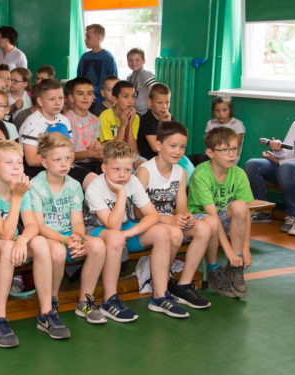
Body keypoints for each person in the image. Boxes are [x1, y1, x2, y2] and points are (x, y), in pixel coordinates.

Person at [84, 140, 189, 320]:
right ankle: (109, 300)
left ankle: (159, 296)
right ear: (104, 168)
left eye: (127, 169)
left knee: (164, 233)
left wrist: (128, 233)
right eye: (116, 169)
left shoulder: (132, 180)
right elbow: (112, 226)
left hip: (123, 230)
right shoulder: (95, 187)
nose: (122, 174)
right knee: (115, 237)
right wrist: (121, 193)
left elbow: (152, 215)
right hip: (96, 231)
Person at [0, 140, 55, 346]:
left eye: (19, 162)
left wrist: (23, 240)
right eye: (9, 162)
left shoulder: (20, 188)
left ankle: (47, 312)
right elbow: (5, 234)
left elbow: (32, 225)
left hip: (10, 246)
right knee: (9, 245)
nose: (17, 167)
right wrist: (17, 197)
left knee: (40, 242)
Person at [135, 121, 216, 309]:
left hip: (168, 222)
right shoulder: (145, 171)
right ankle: (161, 282)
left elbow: (181, 206)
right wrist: (169, 220)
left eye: (182, 147)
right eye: (172, 146)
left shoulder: (180, 172)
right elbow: (137, 212)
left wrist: (185, 216)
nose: (178, 151)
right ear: (158, 145)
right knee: (174, 232)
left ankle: (183, 285)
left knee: (204, 228)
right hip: (146, 225)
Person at [30, 132, 105, 328]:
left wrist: (78, 238)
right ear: (44, 162)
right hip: (46, 237)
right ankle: (51, 303)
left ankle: (85, 301)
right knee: (58, 252)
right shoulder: (35, 186)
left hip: (68, 236)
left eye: (67, 158)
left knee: (98, 246)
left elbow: (77, 221)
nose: (64, 164)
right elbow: (39, 226)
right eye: (57, 160)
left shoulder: (73, 185)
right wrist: (65, 240)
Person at [190, 127, 254, 298]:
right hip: (199, 220)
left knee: (240, 206)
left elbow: (245, 213)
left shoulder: (239, 174)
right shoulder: (201, 174)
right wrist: (228, 252)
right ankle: (213, 269)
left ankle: (235, 267)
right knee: (211, 222)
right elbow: (212, 215)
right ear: (210, 153)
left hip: (222, 219)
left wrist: (245, 249)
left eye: (234, 148)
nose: (231, 154)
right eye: (224, 150)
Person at [244, 99, 295, 232]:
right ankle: (263, 211)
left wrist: (279, 161)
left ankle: (293, 216)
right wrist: (278, 150)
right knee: (252, 165)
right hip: (287, 167)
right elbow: (287, 154)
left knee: (287, 167)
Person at [19, 79, 72, 177]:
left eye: (61, 98)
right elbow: (31, 160)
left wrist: (63, 161)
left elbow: (71, 151)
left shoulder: (64, 120)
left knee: (90, 177)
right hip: (37, 170)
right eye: (52, 99)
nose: (58, 103)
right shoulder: (32, 124)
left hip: (62, 165)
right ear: (40, 101)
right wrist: (58, 158)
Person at [64, 76, 102, 188]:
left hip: (92, 164)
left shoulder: (96, 120)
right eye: (80, 93)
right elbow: (64, 155)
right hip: (71, 165)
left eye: (89, 93)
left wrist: (99, 152)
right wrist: (89, 153)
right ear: (71, 97)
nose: (85, 97)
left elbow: (94, 151)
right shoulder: (65, 120)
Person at [77, 24, 118, 108]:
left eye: (88, 37)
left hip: (102, 103)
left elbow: (114, 82)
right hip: (85, 101)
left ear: (99, 38)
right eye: (85, 37)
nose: (85, 40)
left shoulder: (108, 57)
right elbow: (79, 79)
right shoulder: (84, 57)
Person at [99, 81, 140, 151]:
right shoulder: (105, 116)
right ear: (115, 99)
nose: (131, 101)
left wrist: (129, 124)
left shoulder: (135, 117)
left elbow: (133, 150)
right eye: (125, 96)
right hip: (111, 155)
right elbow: (112, 151)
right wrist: (123, 125)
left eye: (133, 96)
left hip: (128, 154)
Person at [205, 96, 246, 164]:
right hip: (214, 155)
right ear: (213, 111)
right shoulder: (210, 123)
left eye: (224, 110)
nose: (220, 113)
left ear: (230, 110)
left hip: (230, 156)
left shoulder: (237, 124)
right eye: (217, 110)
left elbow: (235, 147)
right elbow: (208, 144)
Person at [136, 83, 173, 160]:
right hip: (150, 160)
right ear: (149, 102)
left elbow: (176, 142)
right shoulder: (146, 119)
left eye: (167, 102)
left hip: (167, 157)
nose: (164, 107)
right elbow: (156, 148)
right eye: (159, 103)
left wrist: (168, 124)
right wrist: (166, 125)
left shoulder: (170, 118)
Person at [126, 48, 157, 116]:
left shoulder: (144, 73)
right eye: (130, 60)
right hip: (135, 111)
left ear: (144, 61)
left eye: (137, 60)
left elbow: (155, 89)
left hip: (145, 112)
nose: (134, 63)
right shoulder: (129, 77)